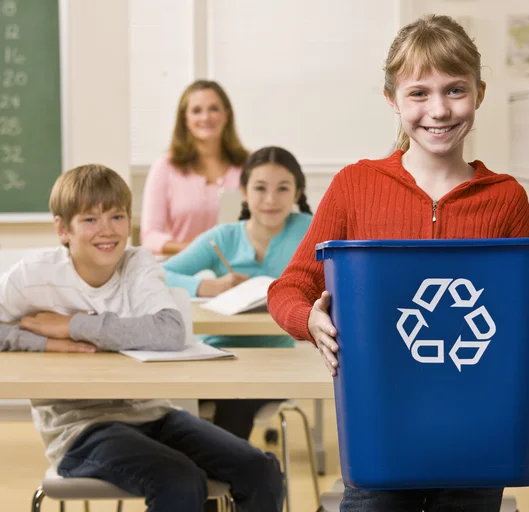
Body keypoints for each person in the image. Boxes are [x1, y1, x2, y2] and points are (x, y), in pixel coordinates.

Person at [267, 14, 529, 512]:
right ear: (392, 100)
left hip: (477, 431)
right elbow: (288, 287)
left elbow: (525, 320)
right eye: (419, 93)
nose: (440, 110)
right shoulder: (355, 186)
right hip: (382, 425)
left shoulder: (505, 197)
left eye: (455, 90)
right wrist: (310, 320)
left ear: (480, 94)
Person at [0, 164, 283, 512]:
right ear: (63, 229)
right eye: (90, 220)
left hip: (152, 412)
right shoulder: (32, 277)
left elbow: (170, 330)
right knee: (179, 480)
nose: (107, 231)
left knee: (261, 470)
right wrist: (47, 342)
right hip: (79, 428)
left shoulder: (136, 264)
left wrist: (71, 325)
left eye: (117, 217)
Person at [163, 146, 312, 440]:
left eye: (283, 189)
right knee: (175, 401)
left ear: (297, 194)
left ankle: (227, 480)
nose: (270, 199)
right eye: (260, 188)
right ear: (243, 191)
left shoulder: (309, 230)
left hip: (273, 359)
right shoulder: (223, 236)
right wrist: (209, 286)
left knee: (234, 400)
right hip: (216, 353)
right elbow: (160, 275)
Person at [141, 80, 249, 255]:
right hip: (182, 267)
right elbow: (150, 236)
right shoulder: (165, 167)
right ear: (185, 119)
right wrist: (198, 252)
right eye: (197, 111)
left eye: (214, 109)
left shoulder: (248, 165)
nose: (206, 117)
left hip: (239, 267)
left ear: (226, 114)